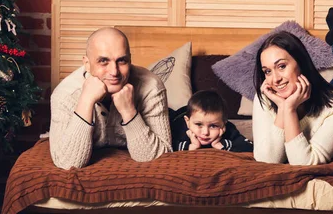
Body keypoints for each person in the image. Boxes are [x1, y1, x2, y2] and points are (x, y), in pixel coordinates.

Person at [253, 7, 333, 166]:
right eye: (267, 71)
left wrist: (289, 109)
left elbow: (304, 163)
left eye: (281, 66)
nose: (275, 79)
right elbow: (266, 161)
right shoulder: (265, 97)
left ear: (301, 64)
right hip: (322, 97)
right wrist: (284, 108)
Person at [49, 27, 172, 169]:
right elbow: (68, 163)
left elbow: (160, 157)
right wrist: (86, 101)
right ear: (87, 64)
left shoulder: (151, 86)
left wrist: (129, 111)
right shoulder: (65, 94)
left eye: (122, 61)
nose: (114, 71)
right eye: (103, 61)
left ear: (130, 60)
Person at [170, 90, 253, 152]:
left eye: (213, 126)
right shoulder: (180, 129)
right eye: (199, 124)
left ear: (224, 124)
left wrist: (220, 145)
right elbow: (167, 148)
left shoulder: (229, 129)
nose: (205, 132)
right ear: (187, 122)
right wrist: (191, 147)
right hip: (178, 115)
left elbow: (249, 148)